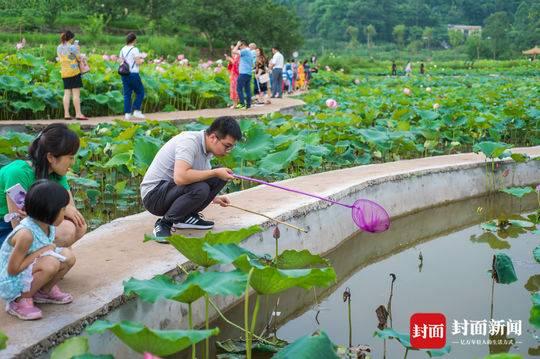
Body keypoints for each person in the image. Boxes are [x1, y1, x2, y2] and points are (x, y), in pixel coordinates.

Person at [140, 116, 243, 240]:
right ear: (213, 138)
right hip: (154, 196)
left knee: (220, 177)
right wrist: (215, 172)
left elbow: (199, 178)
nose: (228, 151)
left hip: (170, 192)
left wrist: (214, 198)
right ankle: (164, 224)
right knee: (203, 186)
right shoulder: (189, 142)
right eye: (227, 146)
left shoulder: (207, 150)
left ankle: (185, 217)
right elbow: (180, 178)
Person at [0, 124, 87, 248]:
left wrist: (62, 210)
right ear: (51, 157)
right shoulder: (17, 173)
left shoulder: (57, 174)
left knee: (78, 226)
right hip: (6, 227)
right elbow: (19, 224)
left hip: (34, 224)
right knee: (65, 231)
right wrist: (60, 209)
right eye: (70, 158)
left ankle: (40, 257)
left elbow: (72, 212)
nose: (73, 163)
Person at [0, 180, 76, 320]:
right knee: (51, 263)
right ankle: (18, 302)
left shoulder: (47, 224)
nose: (65, 213)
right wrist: (42, 252)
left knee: (68, 257)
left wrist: (46, 251)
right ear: (50, 211)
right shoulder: (26, 234)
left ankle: (43, 292)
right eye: (63, 209)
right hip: (11, 282)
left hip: (28, 270)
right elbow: (12, 270)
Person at [57, 31, 88, 121]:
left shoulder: (59, 47)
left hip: (64, 72)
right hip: (74, 71)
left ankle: (66, 114)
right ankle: (78, 114)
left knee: (66, 93)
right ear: (70, 38)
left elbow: (61, 59)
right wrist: (78, 51)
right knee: (76, 94)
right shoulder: (72, 47)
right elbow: (77, 58)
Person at [119, 32, 145, 120]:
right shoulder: (135, 49)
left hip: (124, 74)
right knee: (140, 92)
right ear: (134, 40)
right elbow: (138, 62)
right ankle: (136, 110)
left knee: (127, 94)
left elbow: (121, 61)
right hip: (133, 73)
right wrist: (142, 60)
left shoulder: (122, 49)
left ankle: (127, 114)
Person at [232, 41, 254, 110]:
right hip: (248, 73)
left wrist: (237, 44)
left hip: (243, 73)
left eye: (240, 46)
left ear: (243, 45)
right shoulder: (249, 52)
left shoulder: (245, 51)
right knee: (247, 90)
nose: (239, 47)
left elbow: (234, 51)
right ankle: (248, 105)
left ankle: (242, 104)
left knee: (239, 89)